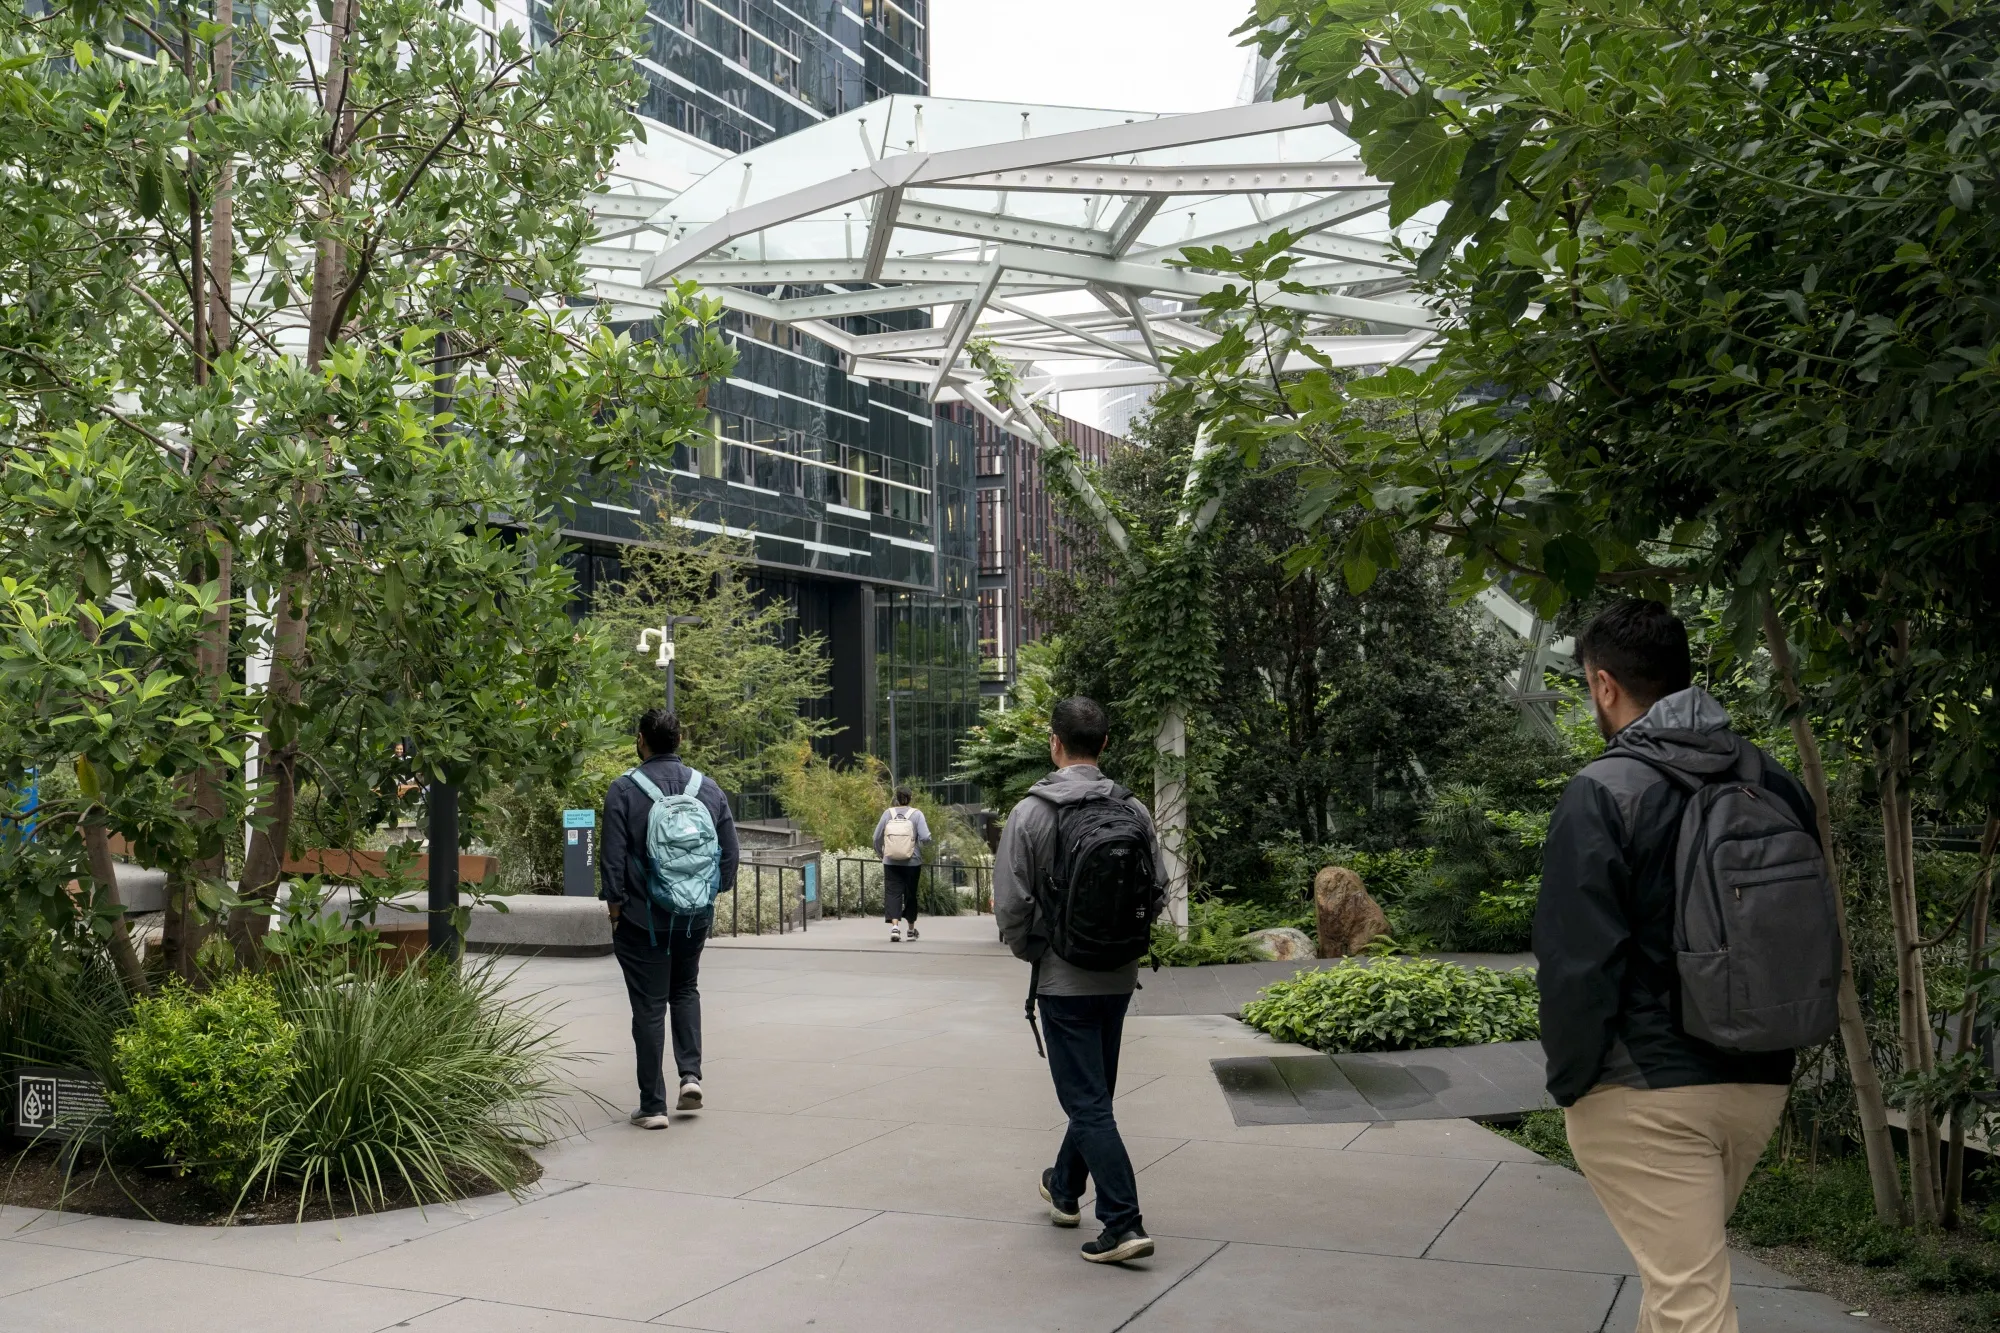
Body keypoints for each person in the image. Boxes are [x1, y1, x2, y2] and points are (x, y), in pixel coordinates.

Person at [1537, 599, 1813, 1333]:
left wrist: (1572, 1083)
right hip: (1758, 1080)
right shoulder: (1776, 782)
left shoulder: (1602, 791)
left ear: (1604, 685)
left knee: (1691, 1304)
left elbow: (1575, 962)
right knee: (1675, 1287)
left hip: (1643, 1090)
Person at [994, 696, 1165, 1266]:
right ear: (1105, 746)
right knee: (1095, 1095)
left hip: (1063, 980)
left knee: (1088, 1102)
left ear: (1054, 743)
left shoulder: (1031, 813)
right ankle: (1063, 1188)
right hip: (1118, 977)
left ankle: (1122, 1221)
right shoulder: (1134, 811)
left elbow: (1011, 903)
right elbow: (1157, 891)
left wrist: (1034, 951)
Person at [600, 708, 739, 1130]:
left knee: (647, 1007)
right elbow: (729, 858)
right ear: (680, 739)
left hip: (644, 920)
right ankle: (690, 1076)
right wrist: (707, 895)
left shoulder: (624, 790)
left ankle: (653, 1105)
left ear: (641, 739)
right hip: (693, 916)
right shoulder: (708, 789)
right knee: (685, 989)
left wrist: (616, 911)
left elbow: (613, 859)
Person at [872, 787, 931, 942]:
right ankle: (911, 930)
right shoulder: (917, 814)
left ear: (896, 798)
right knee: (911, 894)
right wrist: (920, 845)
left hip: (890, 861)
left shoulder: (887, 814)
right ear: (910, 798)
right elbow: (925, 837)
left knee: (893, 893)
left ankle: (895, 928)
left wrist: (881, 854)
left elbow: (876, 837)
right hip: (912, 862)